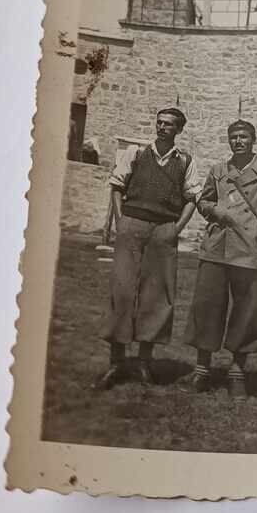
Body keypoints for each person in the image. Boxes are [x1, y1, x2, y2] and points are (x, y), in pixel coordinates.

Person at [94, 108, 202, 389]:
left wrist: (176, 229)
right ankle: (116, 363)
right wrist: (121, 222)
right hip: (132, 225)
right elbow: (117, 186)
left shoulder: (186, 160)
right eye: (160, 122)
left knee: (157, 296)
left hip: (163, 230)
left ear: (178, 130)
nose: (162, 127)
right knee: (122, 290)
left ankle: (144, 363)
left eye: (169, 125)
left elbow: (192, 198)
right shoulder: (137, 152)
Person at [182, 119, 257, 398]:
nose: (238, 141)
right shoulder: (218, 171)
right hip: (217, 248)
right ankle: (202, 370)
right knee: (206, 308)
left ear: (253, 140)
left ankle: (237, 372)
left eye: (243, 137)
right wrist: (217, 212)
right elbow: (202, 202)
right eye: (233, 137)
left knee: (247, 312)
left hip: (251, 251)